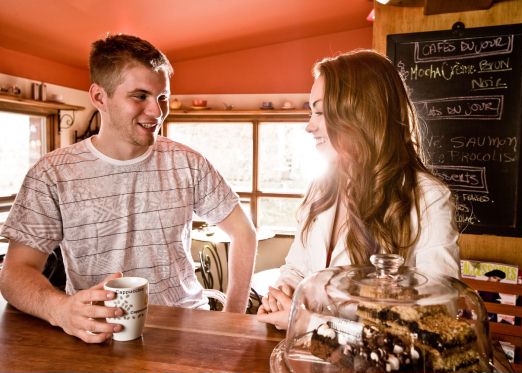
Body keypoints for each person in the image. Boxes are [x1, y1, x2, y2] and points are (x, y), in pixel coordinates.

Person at [0, 34, 257, 343]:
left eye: (162, 97)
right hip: (96, 334)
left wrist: (233, 319)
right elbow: (15, 272)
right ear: (99, 97)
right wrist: (61, 309)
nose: (157, 112)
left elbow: (244, 232)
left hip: (186, 327)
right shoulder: (51, 174)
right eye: (140, 96)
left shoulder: (189, 163)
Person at [256, 49, 460, 330]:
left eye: (320, 112)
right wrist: (283, 293)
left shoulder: (428, 198)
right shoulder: (321, 186)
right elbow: (296, 268)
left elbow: (435, 319)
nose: (309, 126)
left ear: (361, 115)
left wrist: (310, 323)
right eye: (310, 112)